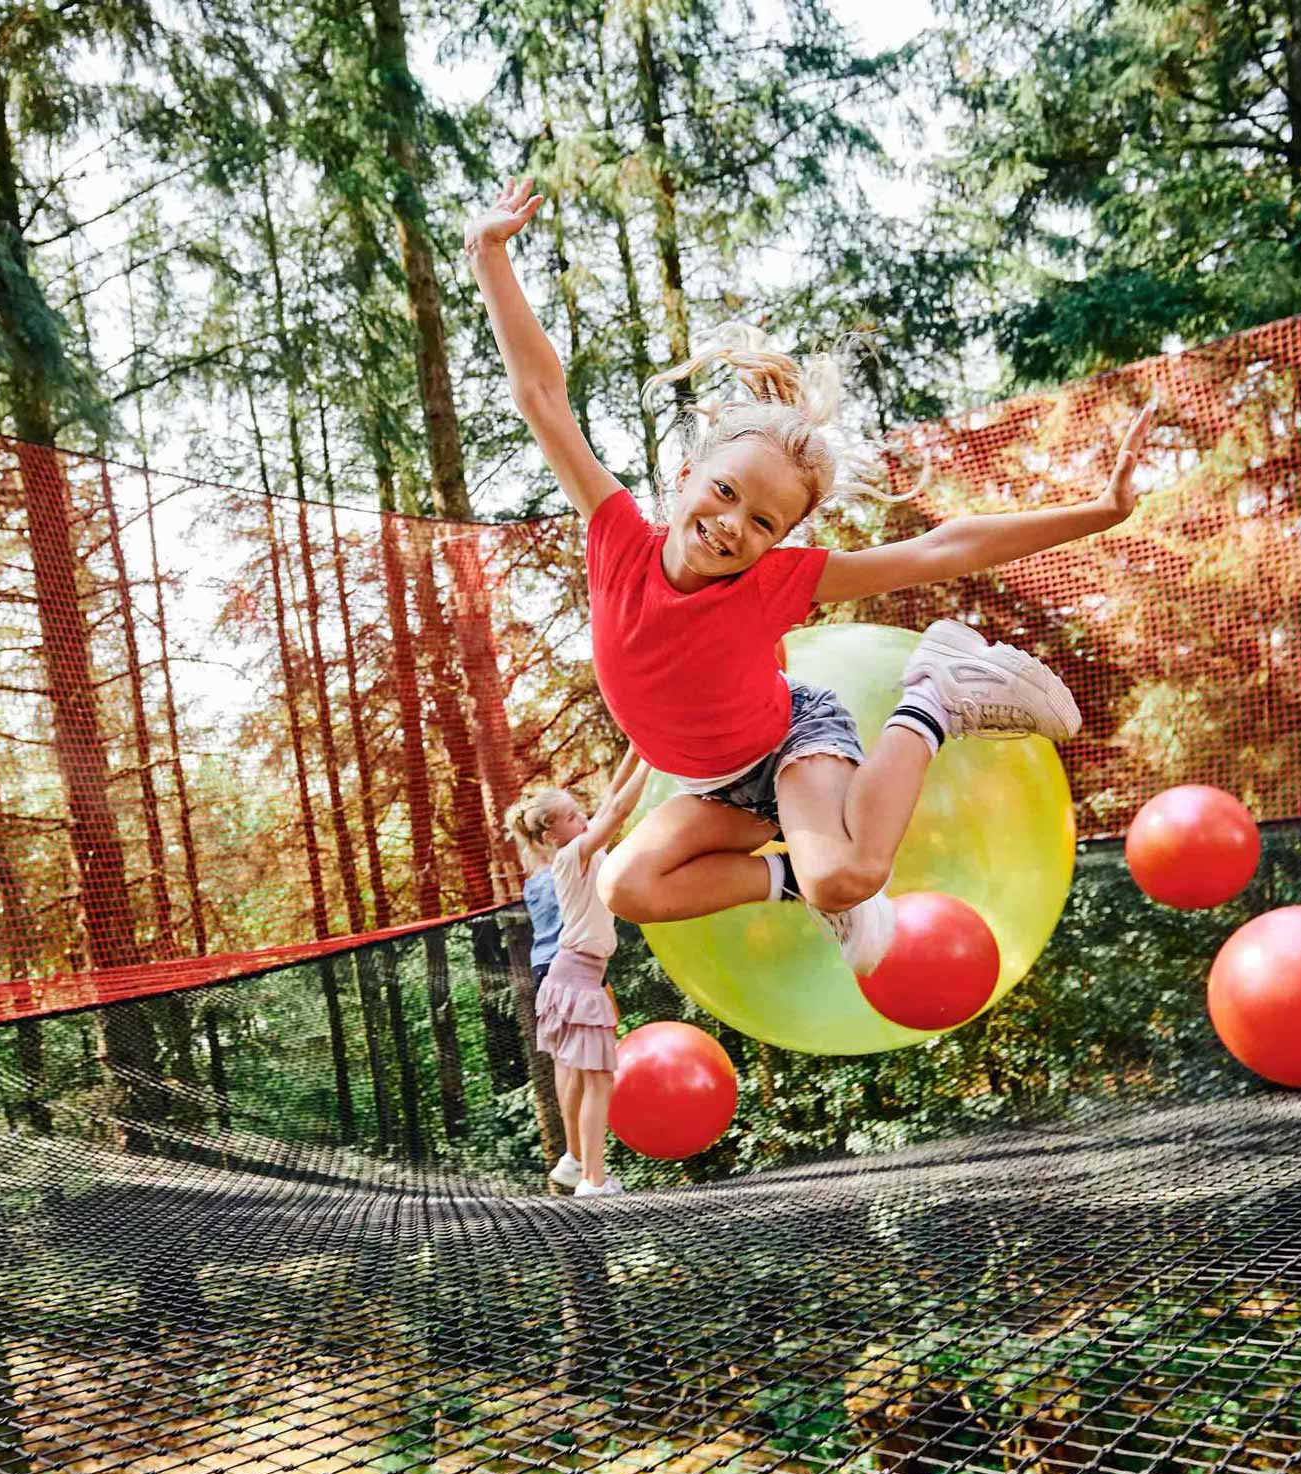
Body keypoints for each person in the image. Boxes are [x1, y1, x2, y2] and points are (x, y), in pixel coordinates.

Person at [465, 177, 1155, 973]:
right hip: (722, 792)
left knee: (851, 876)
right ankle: (791, 878)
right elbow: (542, 397)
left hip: (791, 738)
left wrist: (1097, 512)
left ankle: (932, 695)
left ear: (782, 539)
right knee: (628, 886)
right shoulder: (617, 536)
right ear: (685, 475)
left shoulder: (771, 585)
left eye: (764, 522)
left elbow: (938, 550)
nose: (732, 525)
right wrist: (489, 254)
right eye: (724, 492)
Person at [503, 749, 650, 1198]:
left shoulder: (586, 849)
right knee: (597, 1081)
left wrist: (637, 750)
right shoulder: (572, 857)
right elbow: (619, 809)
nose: (581, 816)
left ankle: (584, 1172)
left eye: (577, 810)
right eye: (569, 816)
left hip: (578, 976)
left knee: (593, 1079)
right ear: (551, 833)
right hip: (575, 977)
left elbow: (608, 802)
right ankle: (593, 1180)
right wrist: (656, 759)